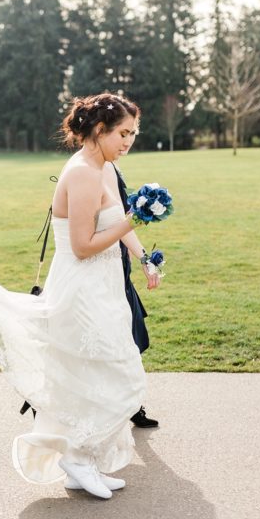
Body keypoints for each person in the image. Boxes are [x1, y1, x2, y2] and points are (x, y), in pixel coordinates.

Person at [0, 92, 148, 499]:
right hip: (82, 288)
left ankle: (83, 461)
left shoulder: (105, 168)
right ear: (99, 130)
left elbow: (114, 227)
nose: (129, 141)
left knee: (101, 374)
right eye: (124, 133)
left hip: (105, 287)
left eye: (133, 134)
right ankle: (76, 458)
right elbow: (82, 245)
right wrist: (133, 218)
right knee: (114, 375)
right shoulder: (81, 174)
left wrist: (142, 251)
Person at [109, 151, 161, 429]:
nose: (126, 143)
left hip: (119, 267)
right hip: (103, 270)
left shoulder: (112, 171)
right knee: (118, 343)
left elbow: (123, 223)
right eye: (121, 134)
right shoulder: (93, 173)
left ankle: (133, 404)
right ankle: (123, 406)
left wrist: (143, 258)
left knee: (131, 340)